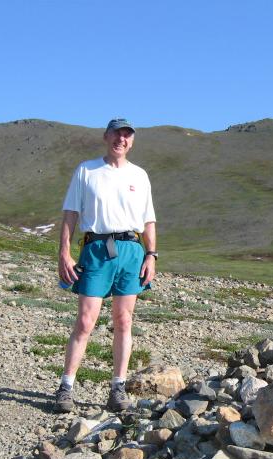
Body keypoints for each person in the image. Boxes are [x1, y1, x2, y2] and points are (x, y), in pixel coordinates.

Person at [54, 117, 158, 413]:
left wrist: (152, 255)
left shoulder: (140, 175)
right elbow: (71, 213)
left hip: (131, 250)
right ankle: (66, 387)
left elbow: (149, 220)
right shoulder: (87, 170)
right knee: (86, 320)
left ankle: (118, 388)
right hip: (97, 248)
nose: (121, 139)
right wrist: (64, 252)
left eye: (127, 135)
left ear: (132, 141)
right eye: (117, 134)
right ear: (106, 136)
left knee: (124, 321)